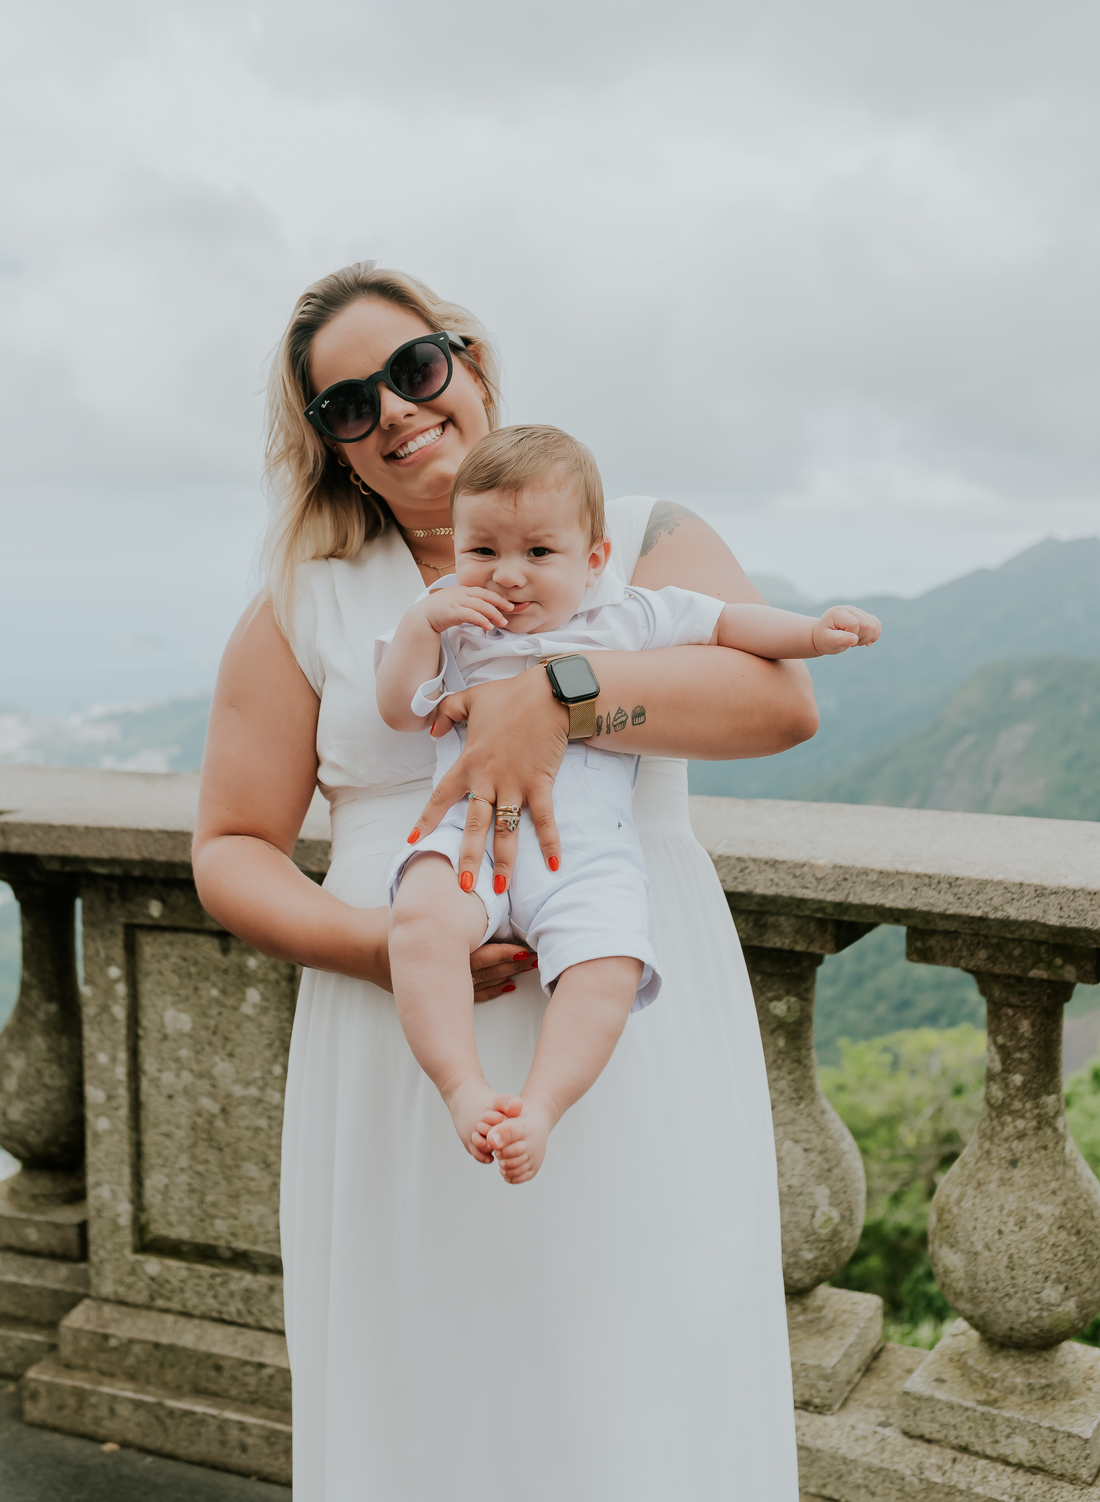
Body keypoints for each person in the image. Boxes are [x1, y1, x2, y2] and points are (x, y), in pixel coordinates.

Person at [192, 261, 820, 1501]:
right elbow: (230, 845)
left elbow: (776, 699)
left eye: (415, 368)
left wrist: (561, 696)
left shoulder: (633, 533)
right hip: (406, 1023)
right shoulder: (306, 599)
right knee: (432, 1373)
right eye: (348, 405)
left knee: (639, 1357)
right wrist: (380, 948)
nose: (397, 410)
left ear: (468, 361)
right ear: (329, 447)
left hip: (629, 999)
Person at [377, 422, 881, 1184]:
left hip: (585, 854)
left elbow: (729, 624)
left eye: (538, 553)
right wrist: (423, 624)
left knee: (607, 966)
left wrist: (814, 632)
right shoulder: (454, 622)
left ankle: (542, 1106)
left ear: (595, 559)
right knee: (420, 923)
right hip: (468, 840)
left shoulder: (629, 614)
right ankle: (463, 1087)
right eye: (483, 552)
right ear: (458, 553)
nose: (508, 576)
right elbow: (399, 711)